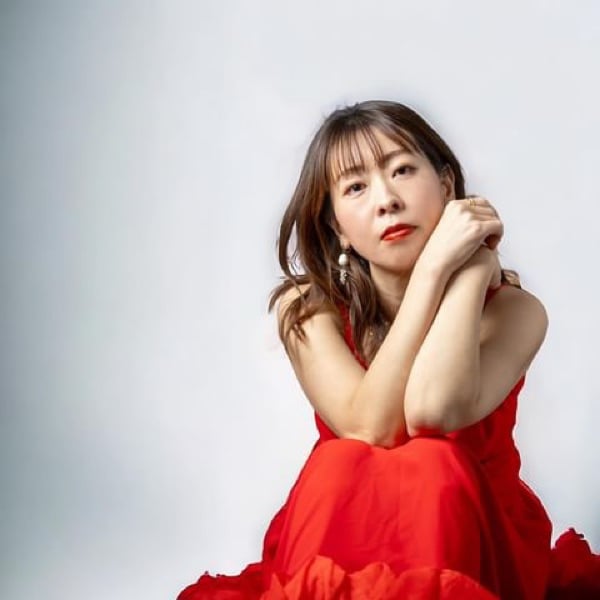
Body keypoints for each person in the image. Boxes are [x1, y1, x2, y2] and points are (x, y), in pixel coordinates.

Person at [177, 100, 600, 599]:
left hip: (474, 540)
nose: (386, 200)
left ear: (446, 186)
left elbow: (431, 412)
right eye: (356, 187)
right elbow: (370, 427)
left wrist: (470, 273)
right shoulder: (307, 307)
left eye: (402, 170)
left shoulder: (514, 312)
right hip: (347, 529)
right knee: (340, 463)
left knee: (433, 463)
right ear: (337, 226)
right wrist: (432, 271)